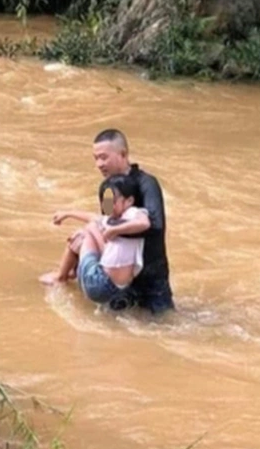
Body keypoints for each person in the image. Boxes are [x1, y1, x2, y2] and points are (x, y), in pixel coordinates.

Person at [42, 128, 175, 315]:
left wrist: (113, 231)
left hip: (150, 277)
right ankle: (66, 275)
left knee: (165, 326)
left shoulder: (147, 183)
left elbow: (155, 224)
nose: (99, 164)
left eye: (104, 157)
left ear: (123, 154)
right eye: (95, 158)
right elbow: (103, 220)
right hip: (119, 276)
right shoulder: (107, 188)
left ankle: (66, 275)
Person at [40, 175, 149, 309]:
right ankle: (74, 270)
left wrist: (113, 231)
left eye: (112, 201)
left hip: (101, 285)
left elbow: (144, 223)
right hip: (120, 289)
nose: (108, 206)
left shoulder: (132, 213)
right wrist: (67, 213)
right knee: (91, 226)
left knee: (84, 233)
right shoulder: (112, 218)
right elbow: (94, 217)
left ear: (129, 201)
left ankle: (61, 277)